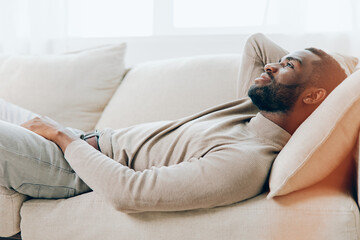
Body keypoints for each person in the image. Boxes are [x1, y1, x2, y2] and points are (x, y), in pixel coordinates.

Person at [0, 33, 347, 213]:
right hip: (76, 141)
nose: (269, 66)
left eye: (286, 66)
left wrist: (61, 137)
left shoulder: (247, 159)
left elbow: (129, 193)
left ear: (314, 97)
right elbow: (256, 42)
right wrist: (337, 73)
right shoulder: (254, 110)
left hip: (68, 168)